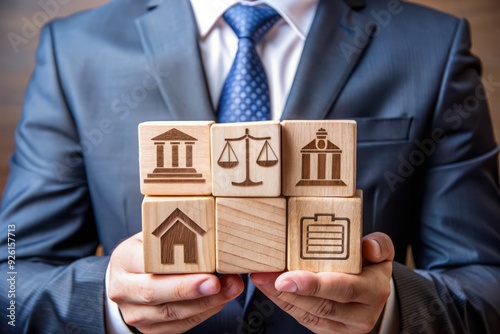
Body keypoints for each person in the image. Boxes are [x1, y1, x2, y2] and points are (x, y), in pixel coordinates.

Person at [1, 0, 499, 333]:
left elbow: (487, 282)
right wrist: (109, 303)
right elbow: (11, 282)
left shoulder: (432, 44)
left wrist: (390, 307)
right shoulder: (75, 50)